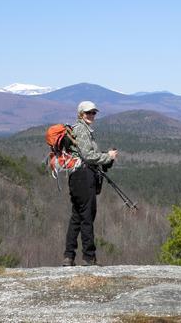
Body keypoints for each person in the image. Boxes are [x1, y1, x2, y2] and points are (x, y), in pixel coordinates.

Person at [62, 101, 118, 266]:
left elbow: (85, 154)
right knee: (87, 216)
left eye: (94, 112)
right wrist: (108, 157)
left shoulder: (76, 130)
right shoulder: (82, 130)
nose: (92, 115)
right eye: (88, 113)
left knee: (77, 216)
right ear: (81, 114)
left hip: (75, 176)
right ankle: (88, 257)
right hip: (84, 176)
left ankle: (68, 256)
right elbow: (88, 156)